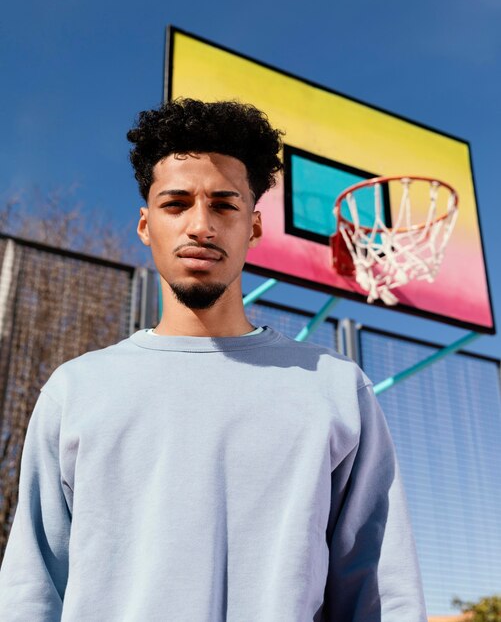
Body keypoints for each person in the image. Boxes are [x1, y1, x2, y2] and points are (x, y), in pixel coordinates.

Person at [0, 98, 427, 621]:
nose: (200, 225)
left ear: (253, 226)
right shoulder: (76, 390)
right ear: (144, 224)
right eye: (176, 204)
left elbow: (381, 593)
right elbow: (31, 591)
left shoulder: (336, 389)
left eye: (224, 205)